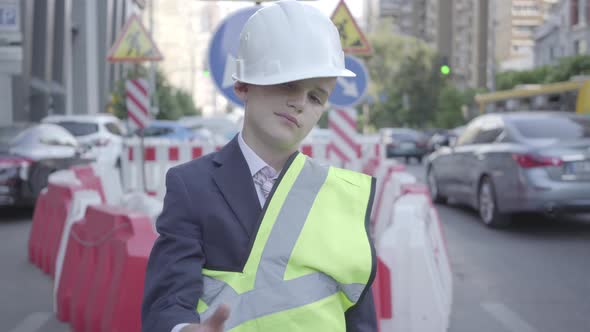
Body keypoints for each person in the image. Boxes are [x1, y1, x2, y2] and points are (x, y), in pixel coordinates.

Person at [141, 1, 377, 331]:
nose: (299, 103)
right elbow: (168, 299)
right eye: (288, 84)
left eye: (315, 97)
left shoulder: (341, 196)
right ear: (243, 85)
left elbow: (358, 314)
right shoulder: (191, 186)